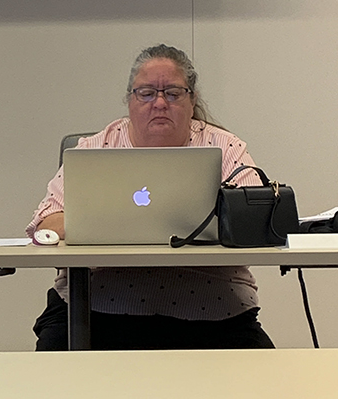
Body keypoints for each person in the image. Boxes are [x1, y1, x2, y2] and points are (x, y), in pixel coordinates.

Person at [26, 44, 275, 351]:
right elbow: (47, 221)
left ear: (192, 99)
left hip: (212, 308)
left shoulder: (225, 147)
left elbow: (251, 224)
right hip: (94, 306)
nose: (159, 103)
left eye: (172, 93)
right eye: (146, 93)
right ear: (129, 100)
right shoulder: (95, 148)